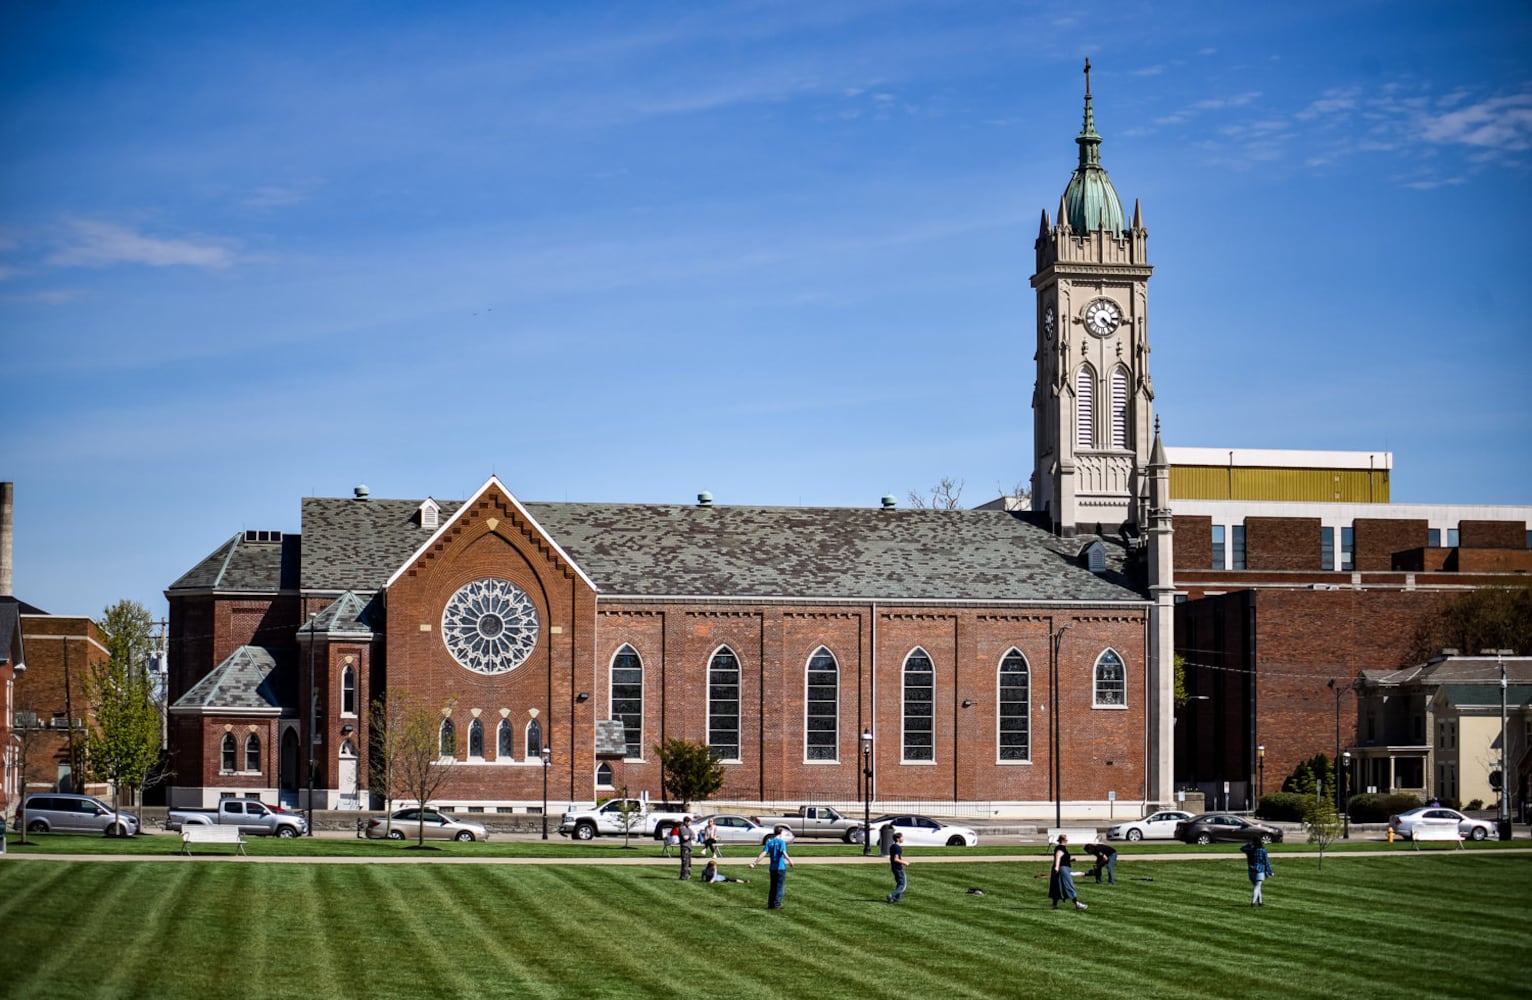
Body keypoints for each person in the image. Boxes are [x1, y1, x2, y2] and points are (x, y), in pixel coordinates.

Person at [750, 824, 795, 909]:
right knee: (780, 887)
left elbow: (763, 853)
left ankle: (771, 903)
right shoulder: (782, 842)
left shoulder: (770, 842)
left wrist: (754, 863)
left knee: (773, 886)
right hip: (780, 867)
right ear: (781, 833)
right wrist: (789, 860)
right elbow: (783, 852)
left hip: (772, 868)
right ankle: (777, 904)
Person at [1049, 834, 1086, 911]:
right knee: (1068, 885)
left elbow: (1062, 858)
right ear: (1063, 841)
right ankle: (1077, 904)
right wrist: (1056, 866)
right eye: (1066, 840)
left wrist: (1070, 860)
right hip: (1062, 869)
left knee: (1058, 886)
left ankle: (1054, 905)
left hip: (1062, 868)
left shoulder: (1062, 848)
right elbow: (1058, 856)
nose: (1067, 841)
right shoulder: (1061, 848)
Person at [1241, 840, 1273, 907]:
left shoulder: (1250, 850)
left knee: (1258, 886)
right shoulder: (1263, 851)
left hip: (1251, 870)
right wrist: (1270, 871)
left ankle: (1260, 902)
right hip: (1260, 871)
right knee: (1257, 886)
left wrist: (1248, 844)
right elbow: (1267, 862)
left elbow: (1242, 848)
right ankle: (1253, 902)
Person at [886, 831, 909, 903]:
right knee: (903, 885)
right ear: (898, 838)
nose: (903, 838)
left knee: (899, 883)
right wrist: (904, 862)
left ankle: (897, 898)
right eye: (902, 837)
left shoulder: (892, 846)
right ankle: (892, 895)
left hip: (894, 867)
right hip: (898, 868)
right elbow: (896, 859)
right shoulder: (898, 848)